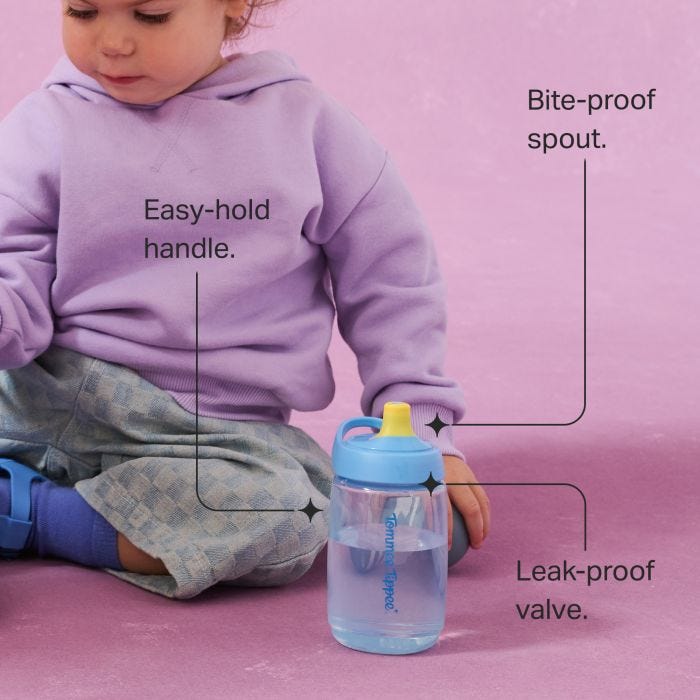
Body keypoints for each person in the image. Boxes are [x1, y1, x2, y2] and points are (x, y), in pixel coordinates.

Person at [0, 0, 490, 599]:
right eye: (82, 11)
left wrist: (421, 435)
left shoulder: (308, 129)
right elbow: (11, 278)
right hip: (36, 398)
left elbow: (393, 280)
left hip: (210, 436)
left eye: (150, 16)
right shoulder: (43, 124)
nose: (113, 42)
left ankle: (30, 514)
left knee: (296, 513)